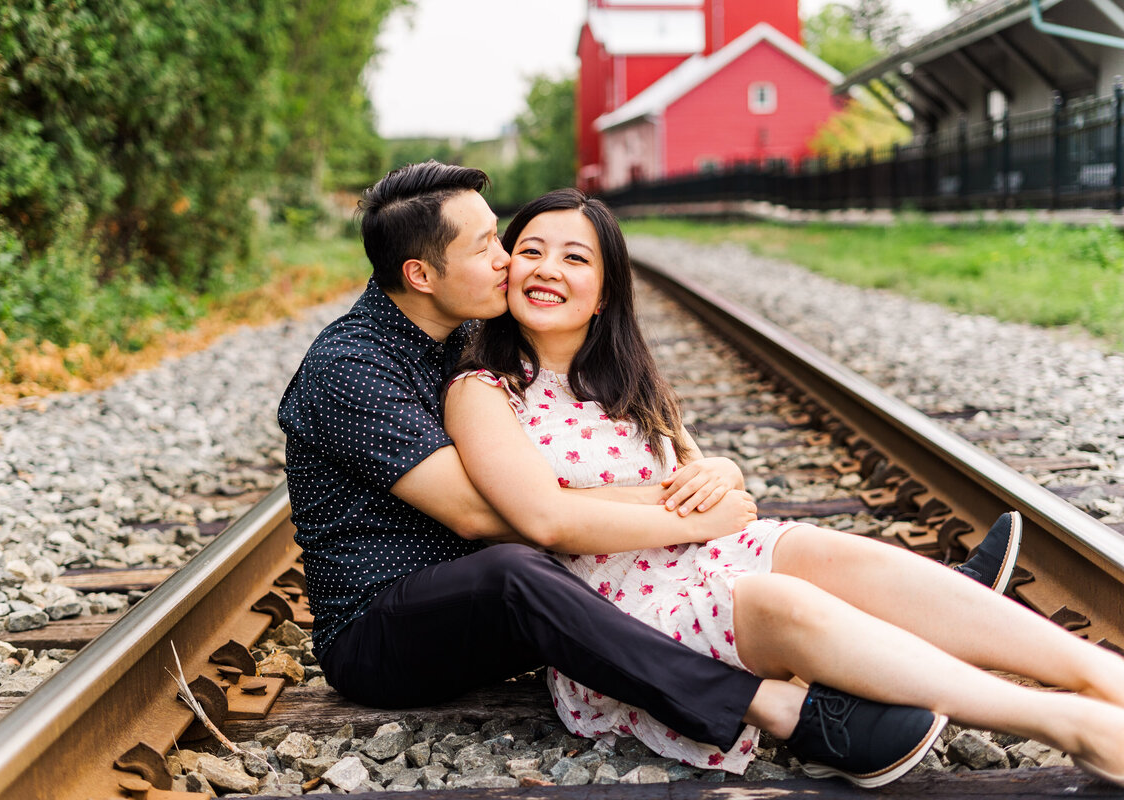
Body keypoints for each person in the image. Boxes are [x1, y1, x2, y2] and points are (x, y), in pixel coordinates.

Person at [278, 162, 1018, 789]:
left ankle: (923, 610)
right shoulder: (351, 369)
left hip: (526, 598)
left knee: (635, 562)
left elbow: (577, 448)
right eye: (488, 249)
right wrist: (675, 510)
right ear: (421, 274)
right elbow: (482, 514)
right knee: (520, 565)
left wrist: (707, 472)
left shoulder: (464, 329)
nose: (510, 260)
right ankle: (781, 711)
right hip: (386, 632)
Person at [441, 186, 1124, 787]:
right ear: (507, 270)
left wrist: (725, 474)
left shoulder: (626, 381)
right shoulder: (485, 392)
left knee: (824, 551)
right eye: (530, 251)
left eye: (576, 258)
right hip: (621, 625)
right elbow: (547, 522)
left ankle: (1100, 676)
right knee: (776, 597)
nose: (548, 270)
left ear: (607, 291)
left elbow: (707, 477)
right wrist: (695, 520)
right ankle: (1066, 722)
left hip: (705, 563)